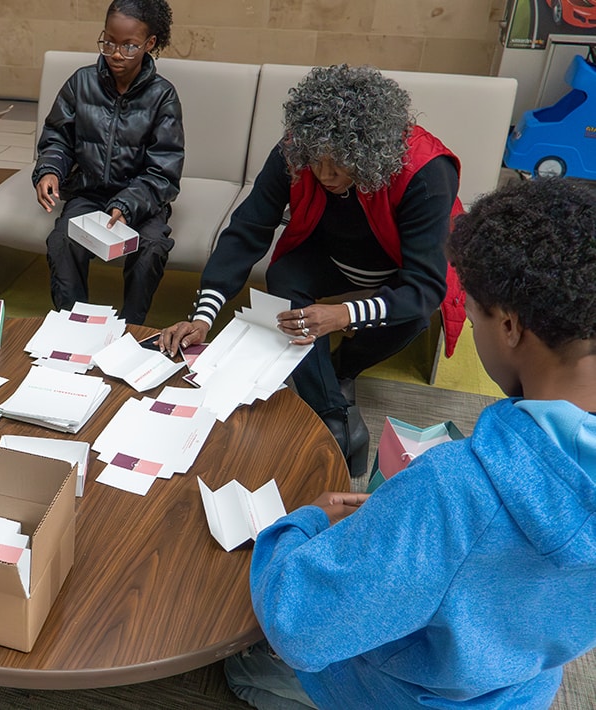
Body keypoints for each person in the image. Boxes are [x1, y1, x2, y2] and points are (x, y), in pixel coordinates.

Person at [224, 177, 596, 709]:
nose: (469, 323)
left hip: (402, 694)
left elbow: (300, 626)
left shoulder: (453, 490)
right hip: (520, 686)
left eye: (474, 313)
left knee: (247, 666)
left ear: (510, 326)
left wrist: (303, 523)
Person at [158, 64, 461, 477]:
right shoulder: (295, 149)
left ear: (370, 153)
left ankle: (344, 369)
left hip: (398, 270)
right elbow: (249, 228)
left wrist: (341, 317)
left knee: (412, 320)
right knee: (283, 280)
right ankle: (334, 415)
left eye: (338, 164)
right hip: (331, 254)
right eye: (314, 161)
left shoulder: (426, 172)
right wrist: (203, 315)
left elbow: (424, 288)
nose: (323, 175)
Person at [34, 0, 183, 325]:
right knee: (61, 242)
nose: (116, 53)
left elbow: (164, 172)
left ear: (149, 44)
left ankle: (131, 327)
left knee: (152, 248)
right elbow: (57, 138)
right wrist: (49, 170)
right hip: (89, 194)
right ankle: (73, 326)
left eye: (129, 46)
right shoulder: (80, 83)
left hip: (141, 201)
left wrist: (128, 206)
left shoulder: (163, 97)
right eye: (109, 42)